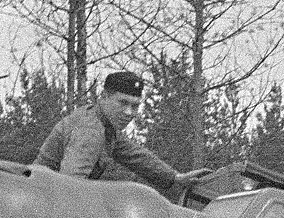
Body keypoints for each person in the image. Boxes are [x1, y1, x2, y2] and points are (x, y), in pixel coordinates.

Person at [32, 70, 212, 192]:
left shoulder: (102, 123)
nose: (129, 113)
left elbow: (136, 156)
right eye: (123, 103)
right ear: (105, 97)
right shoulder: (91, 131)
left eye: (135, 106)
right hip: (41, 201)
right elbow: (69, 187)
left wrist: (174, 177)